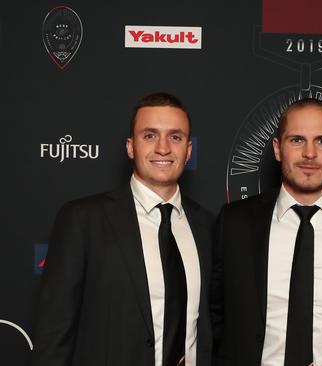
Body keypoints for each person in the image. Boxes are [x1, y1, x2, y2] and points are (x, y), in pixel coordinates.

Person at [32, 93, 215, 366]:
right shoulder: (83, 220)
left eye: (175, 137)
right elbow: (53, 334)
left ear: (188, 151)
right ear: (130, 147)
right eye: (149, 136)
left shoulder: (209, 226)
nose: (163, 148)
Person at [211, 98, 322, 366]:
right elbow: (215, 316)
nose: (309, 153)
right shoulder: (235, 222)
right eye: (296, 140)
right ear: (277, 148)